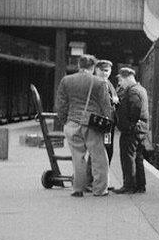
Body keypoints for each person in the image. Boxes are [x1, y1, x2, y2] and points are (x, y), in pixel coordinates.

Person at [55, 54, 114, 197]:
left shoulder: (66, 80)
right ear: (93, 67)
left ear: (78, 66)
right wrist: (108, 124)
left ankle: (78, 189)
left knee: (77, 158)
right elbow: (106, 106)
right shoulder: (99, 82)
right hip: (91, 124)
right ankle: (100, 190)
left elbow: (61, 105)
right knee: (99, 157)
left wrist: (65, 120)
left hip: (72, 123)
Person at [112, 66, 149, 194]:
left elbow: (135, 110)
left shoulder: (132, 91)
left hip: (131, 130)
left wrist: (128, 124)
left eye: (121, 81)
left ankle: (129, 186)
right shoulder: (141, 89)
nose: (120, 84)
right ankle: (140, 185)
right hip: (140, 129)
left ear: (126, 78)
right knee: (138, 157)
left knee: (128, 157)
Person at [94, 59, 118, 161]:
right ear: (96, 70)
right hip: (100, 120)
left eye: (107, 71)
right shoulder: (96, 82)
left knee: (108, 146)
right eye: (102, 70)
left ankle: (104, 170)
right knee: (101, 147)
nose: (105, 73)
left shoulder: (108, 83)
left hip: (108, 121)